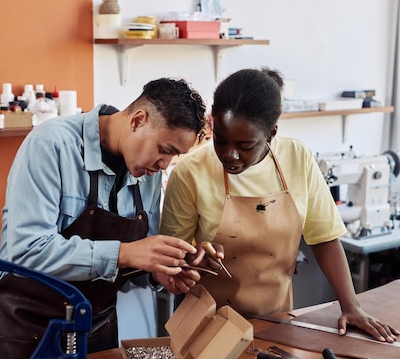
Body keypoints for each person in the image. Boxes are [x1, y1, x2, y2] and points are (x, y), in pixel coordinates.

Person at [0, 77, 204, 359]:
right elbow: (28, 249)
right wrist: (123, 254)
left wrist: (159, 272)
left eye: (174, 156)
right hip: (25, 332)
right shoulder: (51, 144)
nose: (165, 164)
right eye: (164, 149)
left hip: (97, 333)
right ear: (138, 120)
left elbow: (137, 258)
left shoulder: (148, 175)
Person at [160, 68, 399, 343]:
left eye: (245, 145)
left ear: (271, 132)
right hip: (205, 325)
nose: (230, 154)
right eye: (221, 140)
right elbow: (170, 260)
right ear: (212, 120)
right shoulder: (190, 173)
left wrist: (351, 306)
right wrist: (195, 258)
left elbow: (324, 239)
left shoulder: (297, 157)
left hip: (275, 322)